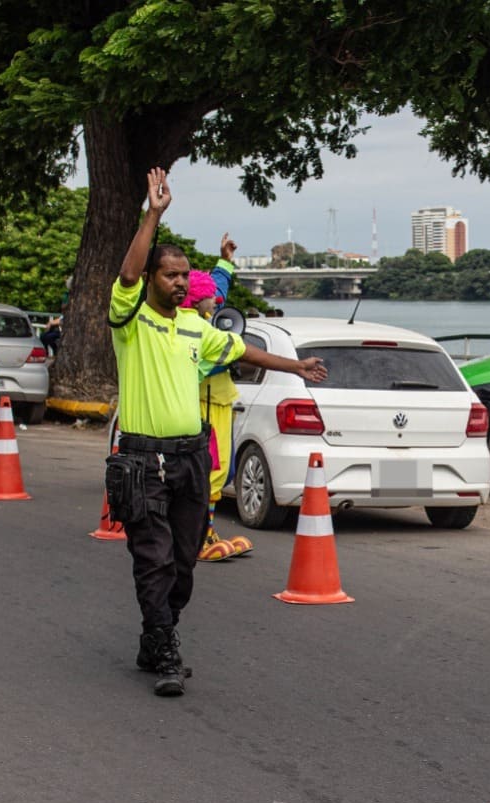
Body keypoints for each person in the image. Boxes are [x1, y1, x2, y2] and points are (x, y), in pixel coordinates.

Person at [111, 166, 326, 697]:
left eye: (185, 275)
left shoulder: (195, 327)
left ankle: (153, 634)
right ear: (153, 280)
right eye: (171, 275)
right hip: (142, 461)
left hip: (189, 460)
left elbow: (239, 350)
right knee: (154, 559)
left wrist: (293, 367)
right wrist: (153, 214)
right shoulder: (132, 319)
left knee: (183, 563)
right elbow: (129, 275)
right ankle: (164, 650)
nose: (181, 282)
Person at [180, 251, 251, 562]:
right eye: (210, 299)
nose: (217, 301)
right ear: (197, 302)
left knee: (221, 471)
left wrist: (225, 261)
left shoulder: (208, 318)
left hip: (219, 404)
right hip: (202, 406)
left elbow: (218, 288)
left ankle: (205, 531)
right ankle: (198, 536)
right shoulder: (194, 330)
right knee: (207, 472)